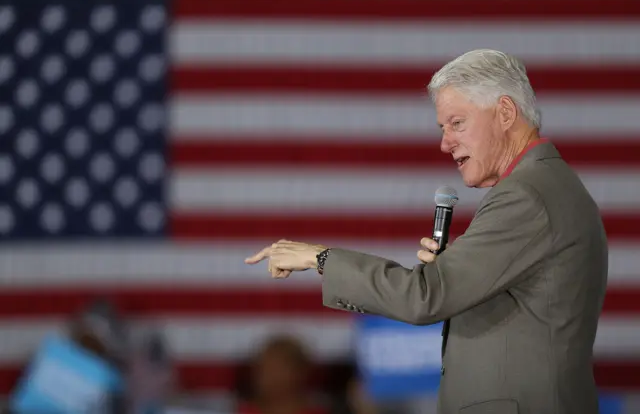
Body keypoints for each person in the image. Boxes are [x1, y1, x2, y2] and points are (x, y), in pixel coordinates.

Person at [245, 49, 608, 414]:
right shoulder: (550, 186)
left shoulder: (526, 195)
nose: (444, 142)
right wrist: (458, 270)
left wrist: (320, 257)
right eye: (442, 128)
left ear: (505, 113)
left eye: (457, 123)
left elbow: (424, 297)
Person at [237, 335, 327, 414]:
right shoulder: (242, 411)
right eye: (262, 369)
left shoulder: (318, 411)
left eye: (276, 370)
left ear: (299, 372)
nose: (266, 378)